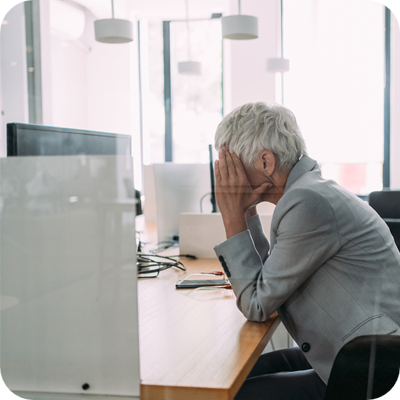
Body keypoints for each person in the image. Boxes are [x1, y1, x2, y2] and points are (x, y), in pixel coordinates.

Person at [213, 102, 400, 400]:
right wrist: (245, 210)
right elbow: (266, 280)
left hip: (371, 370)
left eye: (230, 166)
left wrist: (231, 215)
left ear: (265, 162)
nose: (224, 178)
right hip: (351, 350)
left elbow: (258, 305)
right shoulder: (308, 191)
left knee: (233, 394)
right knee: (229, 377)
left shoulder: (308, 202)